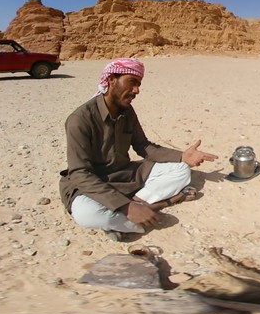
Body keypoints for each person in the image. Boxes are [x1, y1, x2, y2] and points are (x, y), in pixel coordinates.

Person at [58, 58, 217, 238]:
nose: (136, 90)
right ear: (111, 80)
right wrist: (126, 206)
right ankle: (161, 204)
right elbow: (80, 173)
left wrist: (182, 156)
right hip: (91, 183)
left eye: (138, 84)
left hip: (124, 174)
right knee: (86, 213)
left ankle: (131, 213)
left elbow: (143, 146)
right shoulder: (80, 119)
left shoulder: (127, 111)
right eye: (132, 82)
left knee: (181, 170)